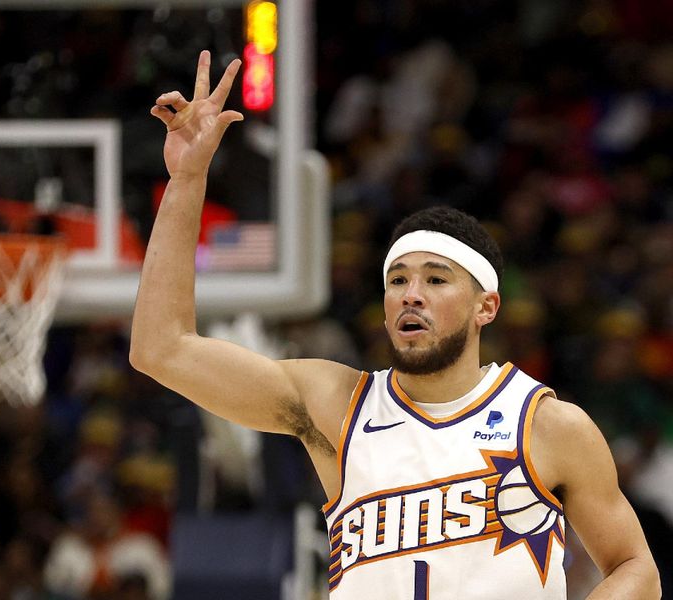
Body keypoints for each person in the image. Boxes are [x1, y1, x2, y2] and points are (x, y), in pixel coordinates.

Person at [129, 50, 661, 599]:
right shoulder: (336, 405)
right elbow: (161, 349)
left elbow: (636, 569)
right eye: (398, 280)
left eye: (436, 280)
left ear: (487, 307)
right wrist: (187, 178)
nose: (411, 295)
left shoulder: (549, 425)